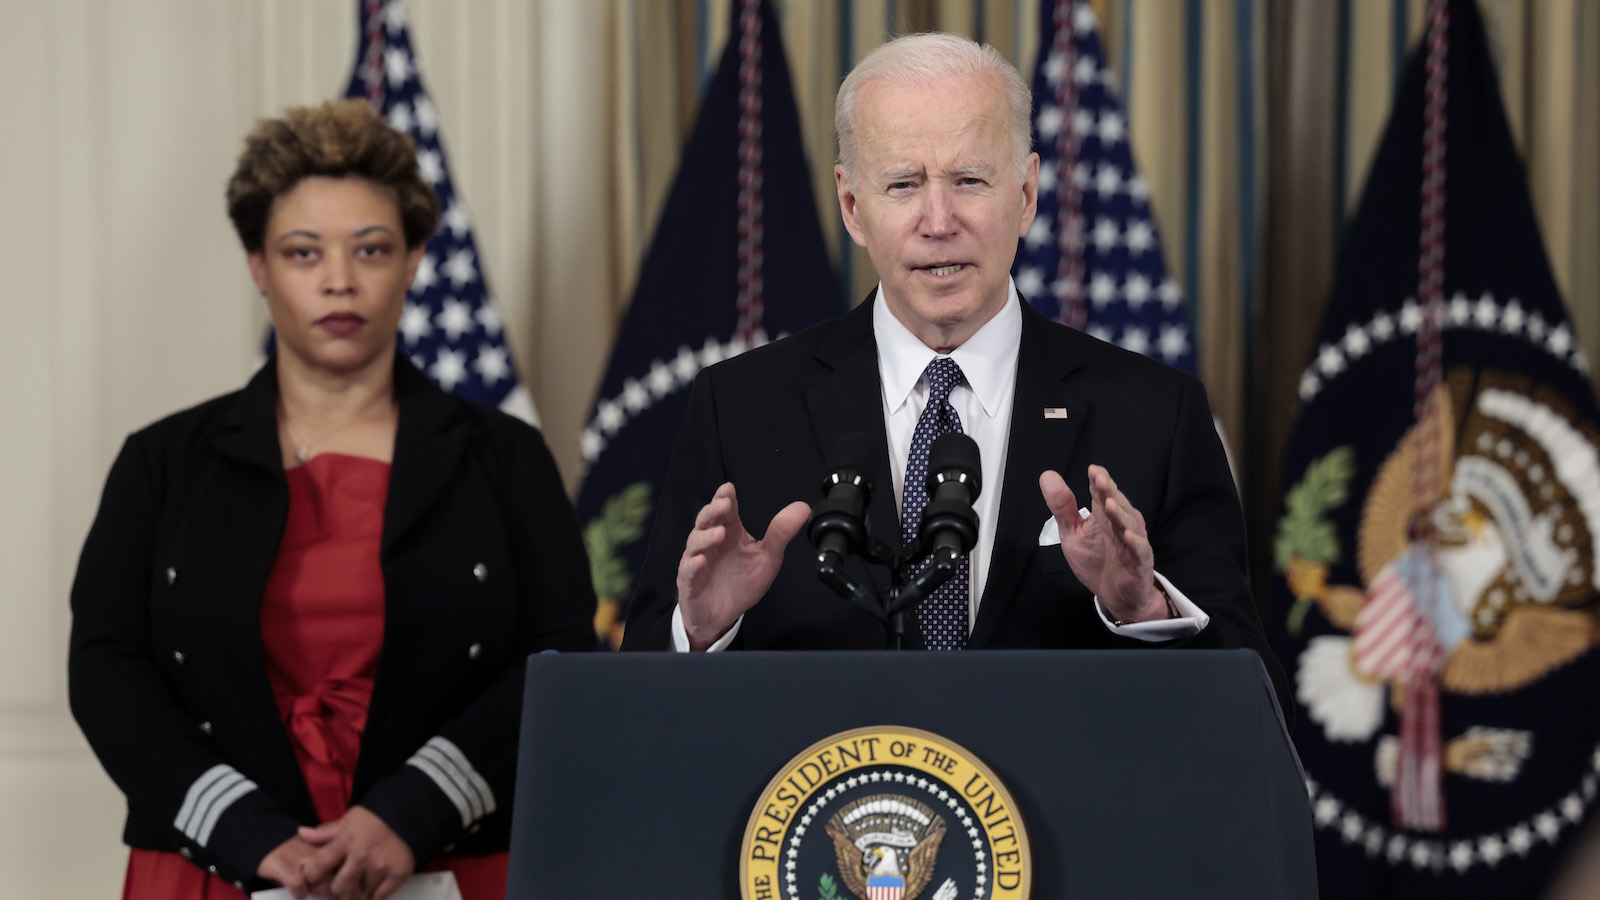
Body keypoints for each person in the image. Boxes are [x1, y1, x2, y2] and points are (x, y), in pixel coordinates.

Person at [620, 33, 1289, 711]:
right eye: (903, 184)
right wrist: (701, 633)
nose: (938, 222)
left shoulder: (1155, 414)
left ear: (1026, 194)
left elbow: (1248, 707)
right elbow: (631, 706)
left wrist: (1143, 609)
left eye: (970, 180)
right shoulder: (739, 408)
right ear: (854, 206)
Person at [68, 99, 597, 900]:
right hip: (211, 861)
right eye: (304, 252)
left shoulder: (504, 457)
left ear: (416, 259)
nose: (340, 281)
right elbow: (106, 668)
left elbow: (557, 654)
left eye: (372, 249)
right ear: (258, 265)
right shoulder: (162, 463)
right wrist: (247, 831)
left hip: (450, 856)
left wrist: (414, 811)